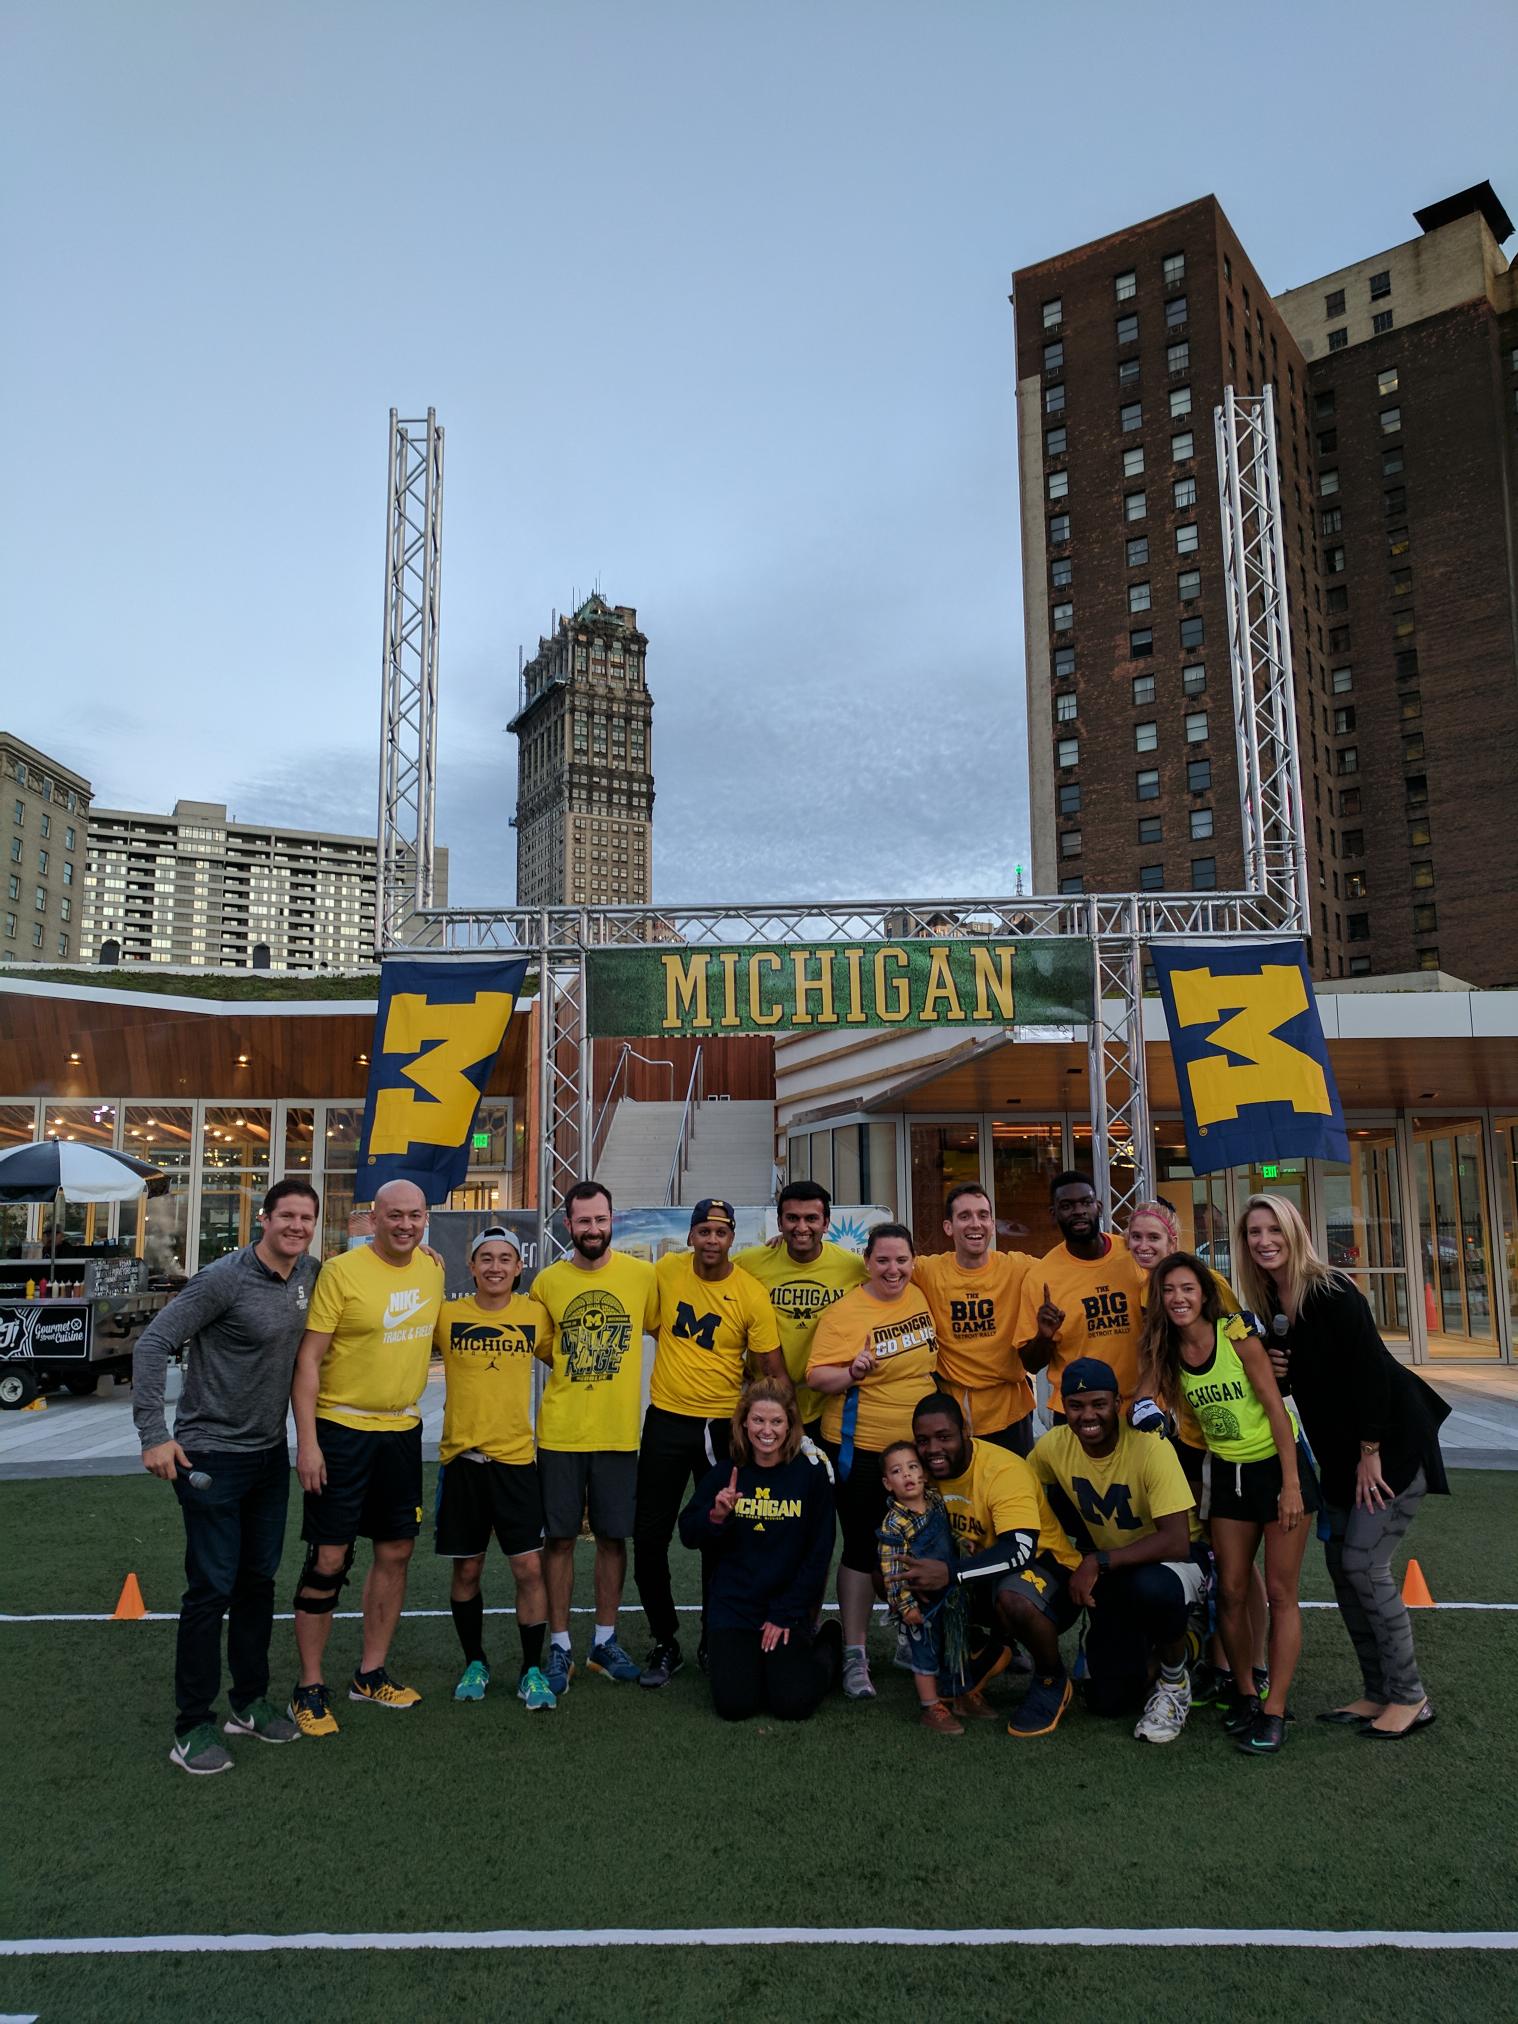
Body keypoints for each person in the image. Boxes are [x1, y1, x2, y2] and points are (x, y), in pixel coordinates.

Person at [1236, 1192, 1450, 1741]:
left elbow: (1371, 1373)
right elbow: (1302, 1388)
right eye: (1254, 1232)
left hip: (1389, 1447)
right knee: (1340, 1569)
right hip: (1335, 1456)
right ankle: (1377, 1690)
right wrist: (1280, 1370)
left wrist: (1370, 1452)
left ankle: (1410, 1697)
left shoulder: (1332, 1291)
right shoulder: (1270, 1306)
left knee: (1363, 1565)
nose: (1264, 1241)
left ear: (1294, 1232)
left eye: (1273, 1230)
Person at [133, 1177, 321, 1775]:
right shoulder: (224, 1278)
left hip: (268, 1455)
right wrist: (153, 1435)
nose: (296, 1226)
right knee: (210, 1590)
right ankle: (192, 1725)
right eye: (286, 1216)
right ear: (263, 1219)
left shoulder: (310, 1274)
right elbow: (152, 1343)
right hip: (210, 1455)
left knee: (258, 1583)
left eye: (306, 1218)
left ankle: (249, 1702)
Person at [1137, 1252, 1319, 1755]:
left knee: (1281, 1594)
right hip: (1227, 1474)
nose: (1178, 1299)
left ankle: (1275, 1709)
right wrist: (1148, 1413)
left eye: (1187, 1289)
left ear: (1205, 1293)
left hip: (1277, 1468)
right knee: (1231, 1592)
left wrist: (1292, 1485)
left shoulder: (1236, 1336)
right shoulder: (1163, 1347)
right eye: (1169, 1290)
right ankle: (1244, 1692)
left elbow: (1276, 1409)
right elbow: (1144, 1398)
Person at [289, 1177, 445, 1736]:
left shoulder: (433, 1267)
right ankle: (309, 1685)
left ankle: (370, 1673)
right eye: (395, 1215)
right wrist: (306, 1442)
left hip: (402, 1430)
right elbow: (307, 1363)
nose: (406, 1225)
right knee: (330, 1557)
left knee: (397, 1550)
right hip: (341, 1430)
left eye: (416, 1216)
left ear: (427, 1219)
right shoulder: (340, 1273)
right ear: (373, 1218)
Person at [636, 1198, 786, 1688]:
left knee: (720, 1536)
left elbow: (773, 1371)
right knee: (650, 1536)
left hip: (722, 1428)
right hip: (666, 1420)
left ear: (732, 1237)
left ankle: (713, 1636)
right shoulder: (666, 1273)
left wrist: (787, 1434)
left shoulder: (750, 1292)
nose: (712, 1240)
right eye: (703, 1231)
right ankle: (665, 1640)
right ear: (691, 1237)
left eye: (720, 1232)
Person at [1125, 1196, 1268, 1706]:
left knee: (1238, 1557)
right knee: (1209, 1550)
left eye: (1154, 1238)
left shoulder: (1204, 1282)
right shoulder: (1151, 1289)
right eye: (1135, 1237)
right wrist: (1147, 1408)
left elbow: (1244, 1347)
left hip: (1236, 1444)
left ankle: (1251, 1663)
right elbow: (1161, 1362)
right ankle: (1218, 1657)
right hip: (1189, 1439)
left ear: (1174, 1241)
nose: (1143, 1245)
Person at [1029, 1358, 1206, 1744]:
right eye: (1076, 1406)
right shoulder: (1053, 1447)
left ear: (1117, 1402)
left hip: (1177, 1562)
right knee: (1108, 1700)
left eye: (1098, 1404)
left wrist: (1096, 1560)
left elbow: (1176, 1540)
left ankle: (1175, 1681)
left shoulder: (1148, 1445)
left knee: (1153, 1588)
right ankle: (1185, 1641)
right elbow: (1019, 1491)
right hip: (1115, 1570)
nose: (1087, 1416)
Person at [532, 1180, 659, 1697]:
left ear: (614, 1220)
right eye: (583, 1221)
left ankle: (603, 1642)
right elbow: (545, 1347)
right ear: (568, 1224)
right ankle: (560, 1643)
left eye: (600, 1220)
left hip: (619, 1433)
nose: (593, 1229)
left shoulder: (642, 1276)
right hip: (561, 1432)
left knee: (613, 1536)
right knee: (559, 1539)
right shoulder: (547, 1282)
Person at [806, 1221, 939, 1701]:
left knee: (921, 1546)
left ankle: (911, 1634)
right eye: (883, 1260)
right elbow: (817, 1376)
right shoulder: (846, 1312)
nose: (893, 1269)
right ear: (867, 1262)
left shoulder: (921, 1296)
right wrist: (851, 1371)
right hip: (860, 1450)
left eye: (902, 1260)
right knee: (864, 1550)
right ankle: (855, 1655)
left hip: (919, 1454)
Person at [908, 1391, 1082, 1740]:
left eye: (944, 1437)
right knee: (896, 1575)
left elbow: (1019, 1550)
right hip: (982, 1578)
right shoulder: (919, 1472)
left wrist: (950, 1572)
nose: (933, 1450)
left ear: (965, 1431)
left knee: (1013, 1596)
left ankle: (1051, 1678)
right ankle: (981, 1649)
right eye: (923, 1441)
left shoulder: (1003, 1470)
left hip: (1049, 1580)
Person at [433, 1226, 555, 1711]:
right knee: (467, 1569)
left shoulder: (535, 1316)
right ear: (472, 1265)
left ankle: (531, 1670)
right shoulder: (447, 1315)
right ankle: (475, 1661)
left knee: (528, 1568)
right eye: (486, 1258)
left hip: (517, 1461)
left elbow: (566, 1359)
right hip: (462, 1462)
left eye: (505, 1259)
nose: (496, 1267)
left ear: (519, 1267)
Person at [677, 1379, 840, 1722]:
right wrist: (716, 1517)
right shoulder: (726, 1473)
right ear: (744, 1423)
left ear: (791, 1425)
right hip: (734, 1607)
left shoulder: (810, 1476)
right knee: (735, 1706)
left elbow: (819, 1553)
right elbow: (688, 1533)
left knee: (792, 1704)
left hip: (785, 1606)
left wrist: (786, 1612)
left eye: (776, 1421)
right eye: (758, 1420)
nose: (767, 1430)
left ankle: (828, 1642)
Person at [912, 1183, 1037, 1455]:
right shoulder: (928, 1271)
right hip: (952, 1416)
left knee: (1014, 1490)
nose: (975, 1224)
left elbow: (1069, 1271)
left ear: (992, 1224)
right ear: (949, 1227)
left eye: (983, 1215)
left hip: (1010, 1412)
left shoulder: (1017, 1267)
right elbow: (879, 1264)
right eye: (965, 1216)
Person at [734, 1180, 866, 1436]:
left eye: (811, 1218)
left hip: (830, 1402)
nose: (801, 1227)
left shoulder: (854, 1267)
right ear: (780, 1222)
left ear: (826, 1224)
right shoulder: (749, 1263)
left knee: (825, 1476)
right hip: (769, 1404)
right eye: (792, 1218)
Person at [1015, 1172, 1148, 1410]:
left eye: (1085, 1203)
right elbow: (1031, 1364)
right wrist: (1044, 1337)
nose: (1078, 1211)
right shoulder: (1040, 1278)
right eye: (1067, 1206)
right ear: (1053, 1214)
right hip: (1077, 1412)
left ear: (1098, 1206)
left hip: (1139, 1404)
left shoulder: (1133, 1254)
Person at [876, 1440, 970, 1734]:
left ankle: (957, 1694)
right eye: (897, 1471)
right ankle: (931, 1706)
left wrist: (960, 1543)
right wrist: (905, 1607)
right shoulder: (894, 1523)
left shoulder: (936, 1501)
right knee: (926, 1652)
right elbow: (891, 1570)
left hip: (950, 1596)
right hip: (923, 1603)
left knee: (953, 1645)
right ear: (887, 1483)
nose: (907, 1475)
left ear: (924, 1474)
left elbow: (948, 1533)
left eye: (913, 1467)